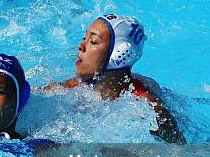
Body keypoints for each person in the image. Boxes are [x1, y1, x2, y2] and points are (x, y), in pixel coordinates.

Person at [45, 14, 186, 144]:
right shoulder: (73, 87)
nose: (81, 46)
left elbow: (180, 152)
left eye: (93, 41)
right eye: (84, 38)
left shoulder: (146, 105)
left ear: (120, 54)